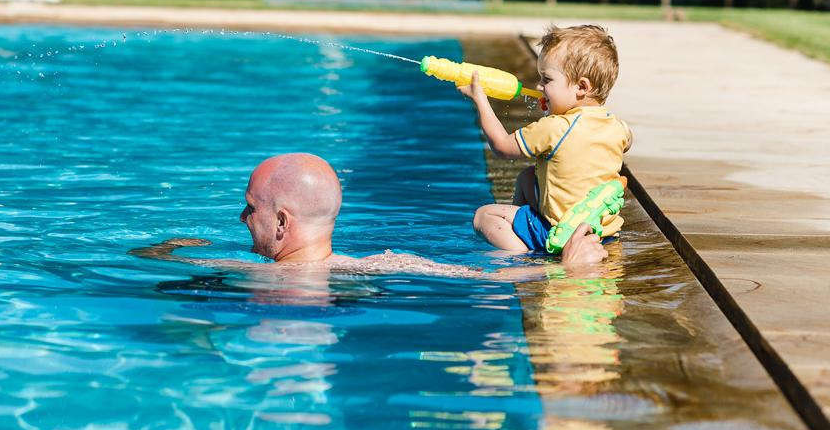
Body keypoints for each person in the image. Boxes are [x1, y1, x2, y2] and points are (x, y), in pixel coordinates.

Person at [132, 152, 609, 276]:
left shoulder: (247, 272)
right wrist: (566, 269)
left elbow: (144, 259)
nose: (241, 218)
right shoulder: (385, 263)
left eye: (250, 208)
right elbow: (486, 278)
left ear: (282, 222)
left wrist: (170, 247)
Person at [462, 24, 633, 253]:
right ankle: (524, 231)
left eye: (547, 79)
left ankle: (524, 257)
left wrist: (480, 99)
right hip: (603, 233)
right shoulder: (618, 126)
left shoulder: (555, 128)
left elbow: (502, 146)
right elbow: (626, 142)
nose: (539, 86)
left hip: (561, 232)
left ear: (581, 87)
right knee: (527, 177)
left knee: (483, 216)